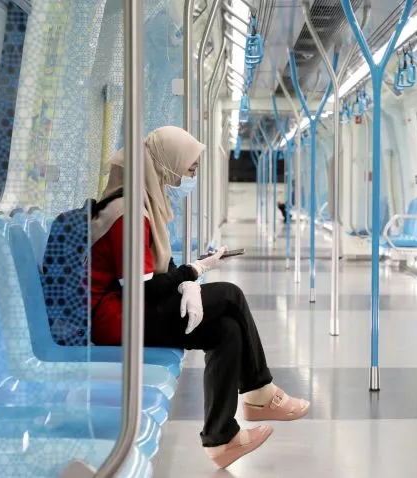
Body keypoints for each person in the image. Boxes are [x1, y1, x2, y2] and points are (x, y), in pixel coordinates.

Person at [89, 126, 309, 469]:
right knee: (230, 294)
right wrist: (194, 272)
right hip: (116, 319)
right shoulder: (128, 214)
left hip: (129, 309)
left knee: (226, 331)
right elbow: (142, 287)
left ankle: (221, 438)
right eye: (189, 168)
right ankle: (259, 392)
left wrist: (186, 278)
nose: (192, 175)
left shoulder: (144, 203)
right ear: (167, 163)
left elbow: (157, 268)